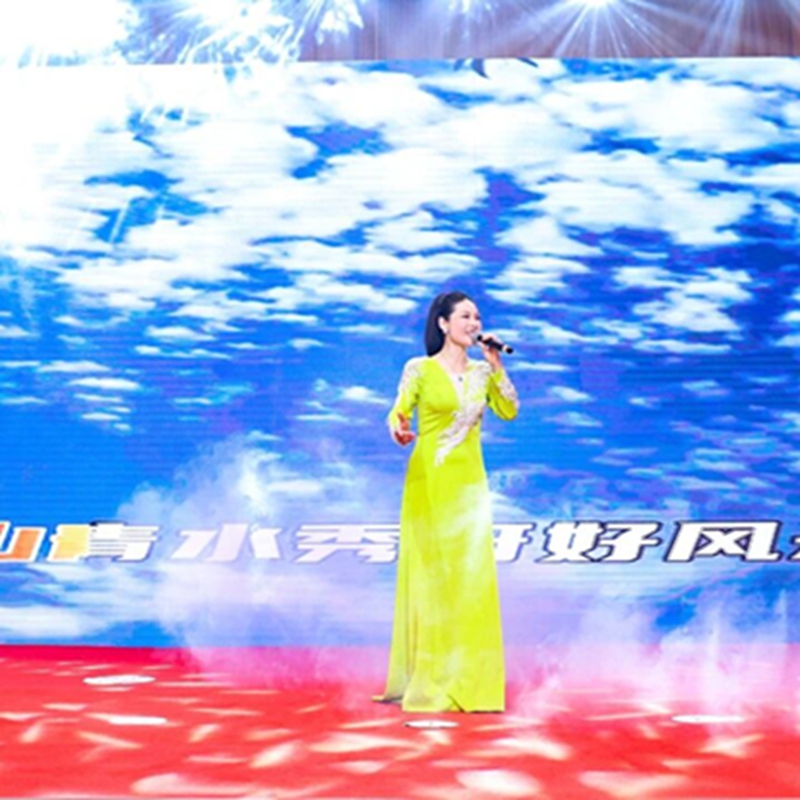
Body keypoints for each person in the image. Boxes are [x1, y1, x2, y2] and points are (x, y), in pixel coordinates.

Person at [377, 290, 519, 713]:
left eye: (477, 317)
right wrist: (399, 428)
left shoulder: (482, 372)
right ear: (443, 323)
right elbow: (398, 412)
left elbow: (509, 410)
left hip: (469, 484)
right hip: (429, 481)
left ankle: (473, 681)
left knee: (472, 579)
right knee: (435, 577)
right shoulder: (419, 369)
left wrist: (496, 365)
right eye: (465, 316)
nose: (474, 324)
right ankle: (433, 677)